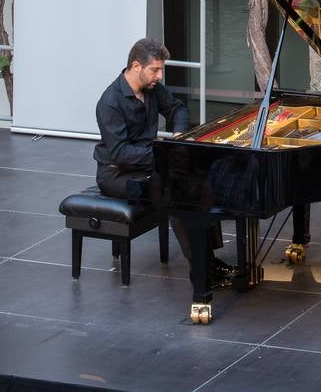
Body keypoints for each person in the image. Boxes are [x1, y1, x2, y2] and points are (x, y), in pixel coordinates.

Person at [94, 38, 230, 283]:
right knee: (176, 194)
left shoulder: (153, 89)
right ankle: (201, 269)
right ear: (136, 66)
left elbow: (178, 109)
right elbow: (120, 153)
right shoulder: (109, 103)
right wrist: (163, 155)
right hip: (117, 174)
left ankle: (209, 258)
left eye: (161, 69)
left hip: (148, 162)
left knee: (201, 179)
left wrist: (178, 134)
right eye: (155, 69)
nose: (160, 75)